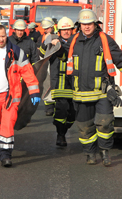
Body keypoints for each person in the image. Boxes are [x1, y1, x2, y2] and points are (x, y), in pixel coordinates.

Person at [65, 9, 122, 166]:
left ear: (95, 24)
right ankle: (90, 153)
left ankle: (105, 152)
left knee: (105, 123)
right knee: (85, 128)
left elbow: (120, 58)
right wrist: (53, 45)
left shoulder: (105, 40)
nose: (86, 27)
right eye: (83, 24)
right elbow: (60, 55)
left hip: (102, 92)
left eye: (89, 24)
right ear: (79, 25)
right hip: (81, 93)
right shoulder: (73, 41)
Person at [0, 24, 40, 167]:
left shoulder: (16, 51)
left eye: (3, 36)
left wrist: (34, 91)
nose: (1, 39)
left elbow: (27, 72)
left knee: (7, 124)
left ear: (7, 35)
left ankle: (6, 155)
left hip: (10, 95)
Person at [39, 17, 75, 147]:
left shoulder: (77, 42)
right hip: (59, 81)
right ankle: (60, 135)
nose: (66, 32)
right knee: (61, 110)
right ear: (59, 31)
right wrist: (47, 42)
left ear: (72, 30)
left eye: (68, 29)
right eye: (63, 30)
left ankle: (64, 130)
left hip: (74, 82)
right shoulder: (54, 41)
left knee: (73, 113)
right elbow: (43, 54)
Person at [39, 17, 56, 116]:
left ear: (52, 26)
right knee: (47, 85)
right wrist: (44, 44)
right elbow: (41, 54)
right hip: (47, 64)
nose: (46, 30)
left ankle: (58, 106)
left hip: (57, 63)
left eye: (48, 28)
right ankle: (49, 108)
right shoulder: (43, 37)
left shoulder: (59, 35)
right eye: (45, 29)